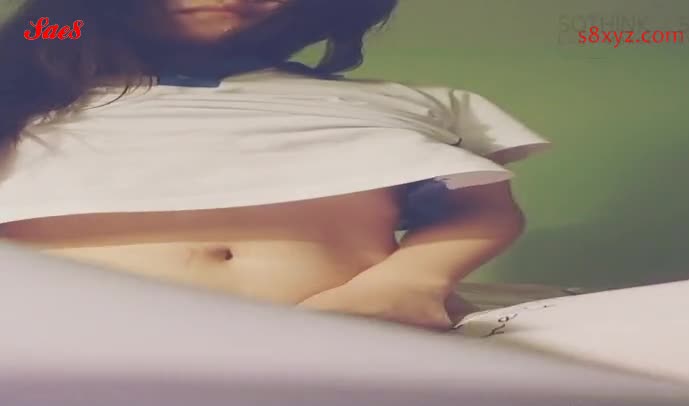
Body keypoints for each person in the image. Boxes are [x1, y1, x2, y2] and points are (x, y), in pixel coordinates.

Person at [0, 0, 549, 330]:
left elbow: (479, 210)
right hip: (69, 345)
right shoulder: (20, 98)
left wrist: (409, 284)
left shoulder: (415, 101)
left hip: (344, 349)